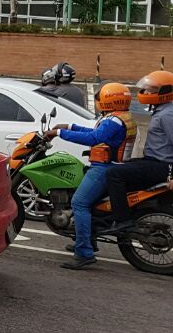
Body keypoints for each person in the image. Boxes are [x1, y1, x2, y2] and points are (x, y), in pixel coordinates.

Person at [50, 82, 137, 269]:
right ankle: (88, 240)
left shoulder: (113, 121)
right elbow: (97, 133)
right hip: (111, 166)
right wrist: (70, 126)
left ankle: (83, 252)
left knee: (79, 203)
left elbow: (93, 138)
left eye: (99, 98)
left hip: (103, 168)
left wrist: (59, 133)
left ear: (107, 101)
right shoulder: (120, 117)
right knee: (87, 203)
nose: (97, 101)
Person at [101, 70, 173, 235]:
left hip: (162, 166)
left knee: (114, 174)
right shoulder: (162, 110)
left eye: (151, 90)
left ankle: (123, 221)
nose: (145, 92)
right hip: (154, 161)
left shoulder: (168, 114)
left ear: (165, 92)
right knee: (120, 167)